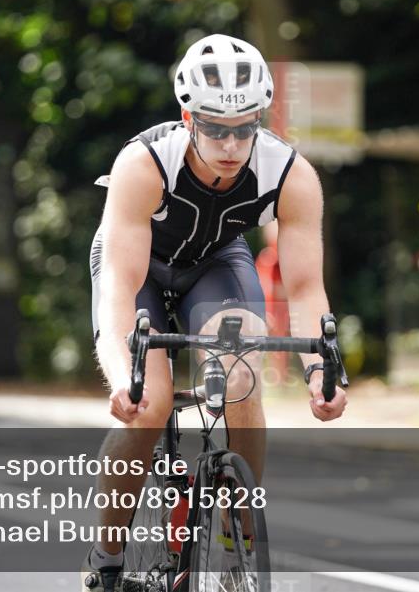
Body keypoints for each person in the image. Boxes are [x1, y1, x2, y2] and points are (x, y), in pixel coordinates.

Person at [84, 34, 347, 591]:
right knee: (150, 406)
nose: (231, 144)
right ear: (188, 117)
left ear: (262, 118)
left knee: (243, 381)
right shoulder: (144, 162)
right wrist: (121, 374)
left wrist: (322, 374)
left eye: (244, 128)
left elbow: (304, 290)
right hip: (138, 265)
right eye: (214, 128)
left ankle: (237, 542)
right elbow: (119, 293)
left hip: (214, 262)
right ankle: (106, 559)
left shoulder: (291, 174)